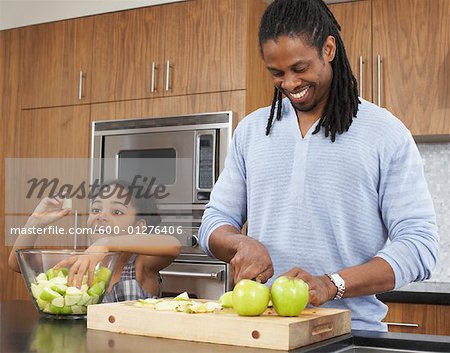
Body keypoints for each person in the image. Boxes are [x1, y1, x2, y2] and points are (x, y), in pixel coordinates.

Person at [198, 0, 438, 331]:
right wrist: (239, 243)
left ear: (328, 48)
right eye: (277, 73)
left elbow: (419, 245)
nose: (290, 84)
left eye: (300, 68)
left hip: (352, 335)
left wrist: (332, 283)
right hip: (264, 334)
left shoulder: (386, 133)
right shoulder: (252, 131)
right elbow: (214, 221)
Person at [9, 179, 181, 302]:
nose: (101, 216)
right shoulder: (77, 263)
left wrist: (105, 244)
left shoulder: (141, 265)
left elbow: (173, 244)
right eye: (96, 208)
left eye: (117, 212)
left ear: (138, 226)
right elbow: (17, 263)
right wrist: (35, 221)